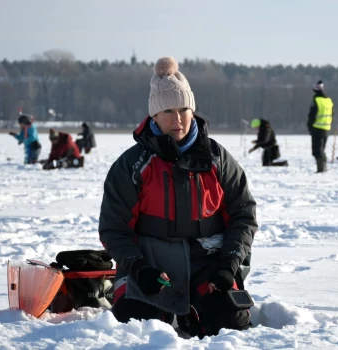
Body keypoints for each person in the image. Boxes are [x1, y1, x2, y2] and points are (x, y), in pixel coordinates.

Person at [98, 57, 257, 338]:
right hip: (151, 265)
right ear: (154, 115)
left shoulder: (218, 159)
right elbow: (114, 229)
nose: (178, 118)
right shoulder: (132, 165)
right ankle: (158, 307)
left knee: (232, 327)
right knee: (133, 329)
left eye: (184, 108)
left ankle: (197, 313)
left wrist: (228, 265)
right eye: (168, 111)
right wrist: (139, 268)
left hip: (208, 262)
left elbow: (243, 215)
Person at [307, 80, 334, 172]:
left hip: (317, 128)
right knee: (321, 150)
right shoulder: (328, 100)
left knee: (317, 151)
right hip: (326, 129)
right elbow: (332, 114)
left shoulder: (316, 100)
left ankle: (321, 169)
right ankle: (323, 167)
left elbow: (312, 115)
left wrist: (310, 127)